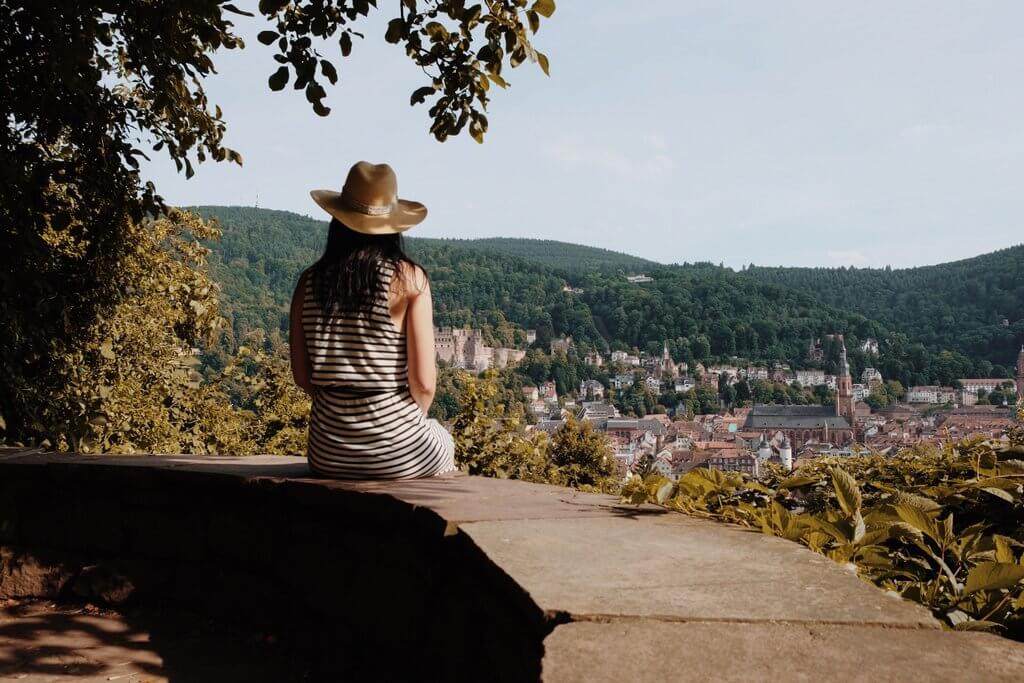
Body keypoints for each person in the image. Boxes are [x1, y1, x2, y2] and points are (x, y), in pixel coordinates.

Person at [289, 161, 456, 479]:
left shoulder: (308, 282)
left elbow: (302, 376)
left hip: (326, 452)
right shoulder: (409, 279)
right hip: (396, 451)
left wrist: (339, 406)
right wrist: (401, 423)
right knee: (444, 440)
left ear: (338, 220)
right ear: (392, 225)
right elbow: (423, 384)